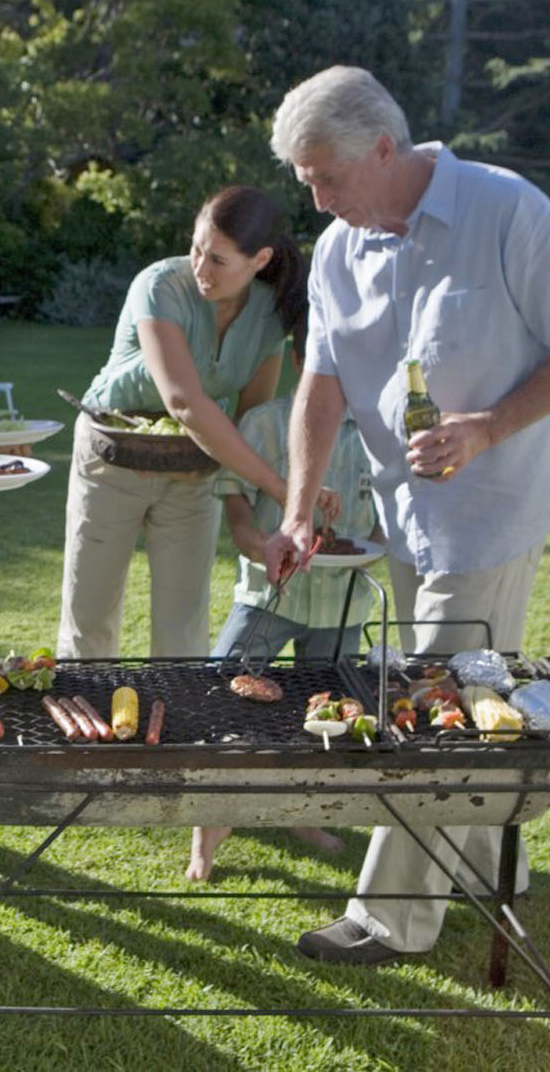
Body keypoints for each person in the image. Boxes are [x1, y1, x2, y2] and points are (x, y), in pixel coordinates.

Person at [264, 65, 550, 965]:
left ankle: (392, 917)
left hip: (495, 506)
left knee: (429, 694)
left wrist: (489, 426)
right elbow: (321, 386)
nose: (317, 202)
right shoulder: (345, 249)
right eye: (306, 182)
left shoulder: (508, 211)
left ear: (384, 147)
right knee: (472, 685)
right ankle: (493, 857)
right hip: (403, 510)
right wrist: (300, 509)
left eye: (327, 179)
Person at [56, 185, 336, 661]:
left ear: (260, 259)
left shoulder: (271, 313)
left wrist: (250, 511)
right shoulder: (160, 286)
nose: (200, 269)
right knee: (91, 617)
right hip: (111, 459)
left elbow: (251, 416)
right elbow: (184, 402)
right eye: (196, 249)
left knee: (184, 624)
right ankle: (86, 729)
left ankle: (176, 729)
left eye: (218, 260)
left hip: (194, 466)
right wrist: (286, 490)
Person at [187, 322, 382, 880]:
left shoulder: (374, 431)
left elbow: (390, 521)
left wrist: (378, 548)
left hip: (342, 603)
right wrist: (261, 548)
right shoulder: (267, 424)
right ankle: (208, 833)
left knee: (324, 715)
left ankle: (303, 813)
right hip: (268, 596)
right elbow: (240, 517)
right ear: (302, 358)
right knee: (222, 701)